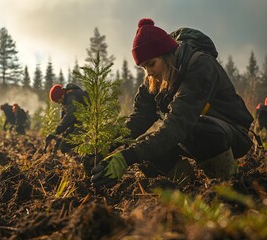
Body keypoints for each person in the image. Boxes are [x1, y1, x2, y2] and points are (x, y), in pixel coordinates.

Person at [91, 18, 254, 188]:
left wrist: (126, 158)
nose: (149, 72)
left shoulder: (200, 65)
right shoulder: (154, 78)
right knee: (144, 147)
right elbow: (139, 119)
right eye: (144, 68)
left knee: (199, 129)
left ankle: (226, 184)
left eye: (151, 64)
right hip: (189, 133)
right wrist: (105, 147)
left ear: (167, 55)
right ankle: (186, 187)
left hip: (233, 133)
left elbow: (177, 125)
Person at [46, 83, 89, 154]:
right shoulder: (66, 100)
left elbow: (70, 117)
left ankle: (77, 161)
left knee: (65, 145)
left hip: (88, 123)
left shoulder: (71, 97)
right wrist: (60, 134)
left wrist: (57, 131)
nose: (58, 103)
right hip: (80, 122)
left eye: (57, 101)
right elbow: (64, 119)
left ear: (62, 96)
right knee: (62, 142)